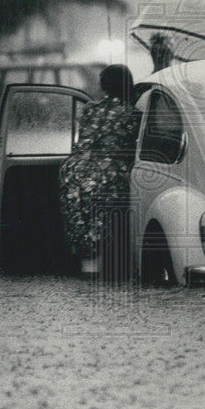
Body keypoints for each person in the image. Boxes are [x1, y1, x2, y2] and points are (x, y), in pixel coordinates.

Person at [59, 64, 141, 278]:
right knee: (106, 225)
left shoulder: (89, 109)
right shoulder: (132, 113)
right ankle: (108, 275)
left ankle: (87, 270)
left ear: (104, 85)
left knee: (81, 223)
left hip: (75, 171)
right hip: (108, 174)